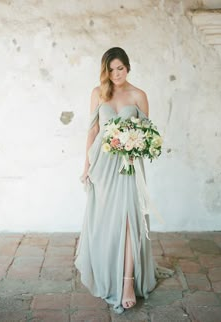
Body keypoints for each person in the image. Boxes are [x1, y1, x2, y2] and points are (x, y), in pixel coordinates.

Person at [74, 47, 173, 314]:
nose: (116, 74)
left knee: (130, 218)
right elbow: (93, 131)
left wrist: (136, 146)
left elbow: (149, 135)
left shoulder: (139, 95)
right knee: (107, 220)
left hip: (128, 166)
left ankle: (128, 282)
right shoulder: (98, 93)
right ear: (105, 70)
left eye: (120, 68)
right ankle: (107, 268)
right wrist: (86, 166)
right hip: (103, 166)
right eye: (111, 69)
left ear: (128, 67)